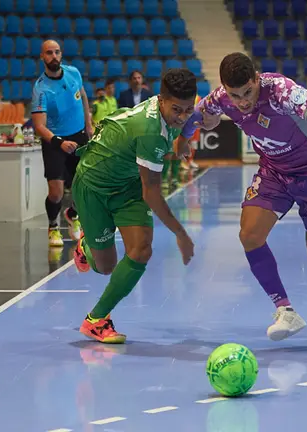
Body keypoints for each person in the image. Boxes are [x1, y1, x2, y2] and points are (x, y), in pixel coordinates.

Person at [188, 52, 307, 341]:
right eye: (235, 96)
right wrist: (187, 135)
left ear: (256, 79)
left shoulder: (282, 92)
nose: (243, 101)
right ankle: (285, 311)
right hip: (275, 173)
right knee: (249, 236)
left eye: (248, 91)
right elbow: (199, 115)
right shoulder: (221, 98)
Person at [72, 68, 198, 344]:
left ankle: (96, 320)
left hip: (126, 183)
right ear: (161, 100)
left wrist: (183, 140)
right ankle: (86, 246)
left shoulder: (174, 112)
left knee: (141, 250)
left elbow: (194, 117)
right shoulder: (149, 129)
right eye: (177, 109)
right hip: (94, 185)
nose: (183, 116)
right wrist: (181, 233)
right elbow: (152, 193)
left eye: (189, 109)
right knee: (105, 267)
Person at [31, 40, 92, 247]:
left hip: (79, 136)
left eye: (57, 52)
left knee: (83, 188)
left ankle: (73, 215)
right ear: (42, 57)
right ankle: (53, 227)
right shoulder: (41, 89)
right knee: (56, 192)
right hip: (54, 140)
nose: (54, 56)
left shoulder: (73, 72)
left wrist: (89, 125)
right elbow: (39, 126)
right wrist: (59, 142)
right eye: (49, 53)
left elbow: (82, 96)